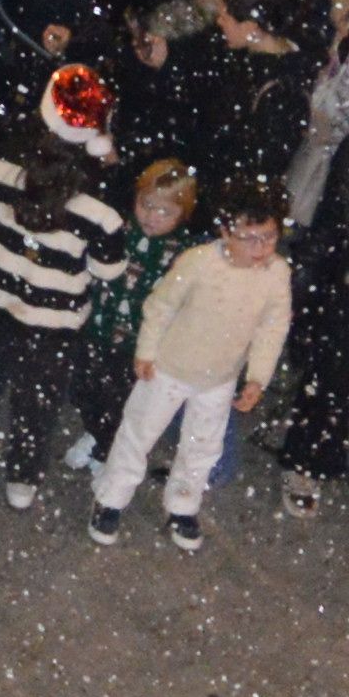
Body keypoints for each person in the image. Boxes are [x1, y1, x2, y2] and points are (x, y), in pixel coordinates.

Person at [93, 194, 296, 551]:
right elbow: (161, 306)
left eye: (270, 237)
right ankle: (111, 498)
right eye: (251, 238)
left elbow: (272, 326)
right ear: (225, 232)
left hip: (219, 378)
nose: (262, 248)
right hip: (168, 369)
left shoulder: (277, 273)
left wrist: (257, 378)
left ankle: (183, 505)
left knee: (203, 446)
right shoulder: (199, 262)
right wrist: (146, 351)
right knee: (138, 433)